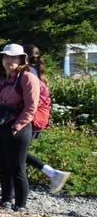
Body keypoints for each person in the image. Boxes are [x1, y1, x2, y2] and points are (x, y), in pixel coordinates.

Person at [0, 43, 40, 211]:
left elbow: (31, 107)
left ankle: (21, 205)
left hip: (17, 128)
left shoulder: (27, 78)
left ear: (21, 59)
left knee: (17, 167)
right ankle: (5, 200)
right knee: (3, 166)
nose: (10, 60)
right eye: (6, 57)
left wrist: (18, 125)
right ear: (1, 59)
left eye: (14, 57)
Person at [23, 44, 71, 194]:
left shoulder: (27, 73)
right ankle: (12, 185)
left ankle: (53, 173)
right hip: (38, 120)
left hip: (28, 119)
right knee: (17, 154)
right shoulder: (38, 72)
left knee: (16, 153)